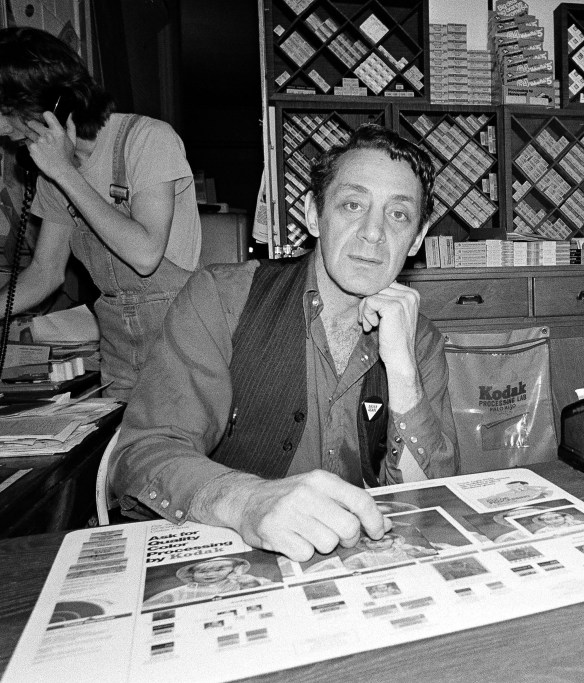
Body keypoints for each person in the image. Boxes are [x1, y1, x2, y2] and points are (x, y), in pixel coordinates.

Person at [111, 124, 459, 563]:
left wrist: (403, 372)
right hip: (235, 560)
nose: (373, 232)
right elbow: (143, 453)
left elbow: (428, 499)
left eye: (399, 215)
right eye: (353, 205)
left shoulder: (420, 339)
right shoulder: (220, 298)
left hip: (361, 564)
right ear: (314, 214)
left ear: (418, 238)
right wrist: (248, 501)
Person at [0, 27, 202, 400]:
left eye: (8, 112)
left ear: (54, 103)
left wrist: (65, 172)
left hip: (183, 350)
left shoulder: (148, 139)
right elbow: (45, 272)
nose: (1, 128)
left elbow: (145, 254)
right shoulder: (52, 171)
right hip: (119, 356)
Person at [143, 557, 273, 607]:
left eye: (219, 569)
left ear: (234, 569)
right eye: (202, 572)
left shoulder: (244, 581)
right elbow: (149, 606)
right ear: (191, 575)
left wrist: (255, 583)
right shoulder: (179, 592)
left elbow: (273, 589)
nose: (210, 574)